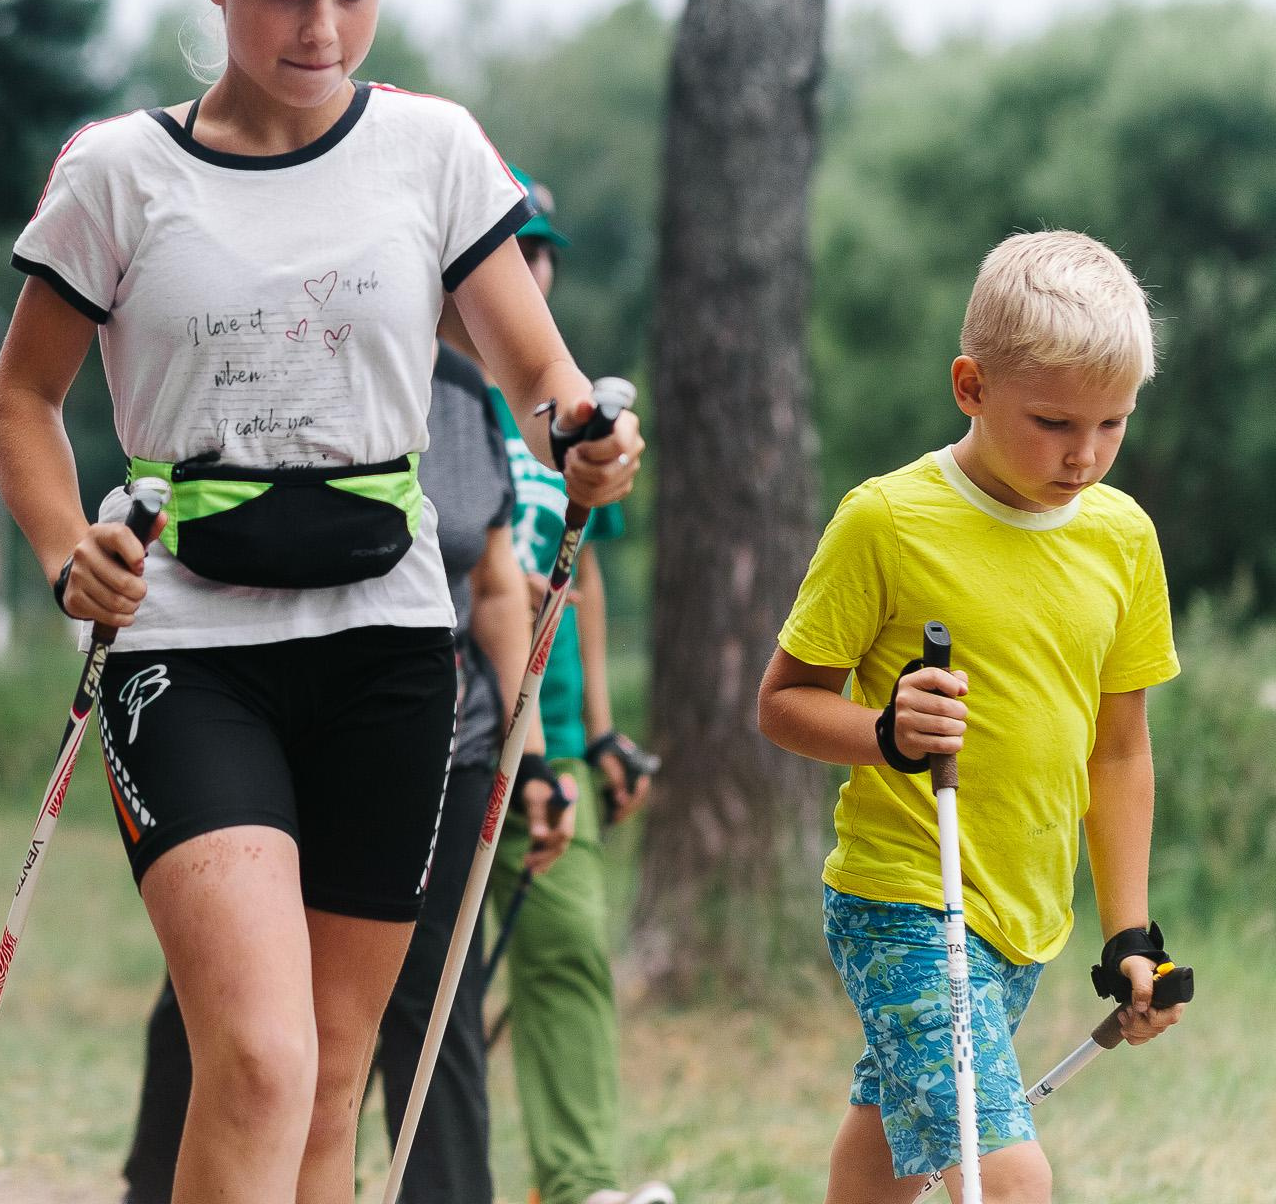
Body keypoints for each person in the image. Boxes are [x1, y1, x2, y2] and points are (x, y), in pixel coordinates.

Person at [0, 0, 643, 1204]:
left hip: (390, 643)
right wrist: (56, 553)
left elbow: (539, 373)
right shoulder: (120, 174)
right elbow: (22, 404)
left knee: (338, 1074)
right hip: (188, 644)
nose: (322, 28)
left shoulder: (434, 151)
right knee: (264, 1060)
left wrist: (584, 432)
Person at [758, 230, 1190, 1203]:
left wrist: (1130, 934)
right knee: (1007, 1171)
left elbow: (1118, 752)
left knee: (888, 1130)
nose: (1084, 455)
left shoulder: (1123, 540)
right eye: (1052, 422)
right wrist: (884, 732)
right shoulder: (889, 521)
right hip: (908, 895)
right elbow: (783, 703)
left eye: (1113, 424)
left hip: (1023, 911)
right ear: (971, 386)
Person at [117, 337, 572, 1203]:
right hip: (232, 701)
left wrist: (536, 755)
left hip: (438, 731)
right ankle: (157, 1180)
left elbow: (499, 580)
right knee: (248, 1025)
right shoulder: (274, 338)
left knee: (428, 1007)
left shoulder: (470, 395)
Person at [449, 170, 671, 1204]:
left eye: (541, 255)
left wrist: (608, 733)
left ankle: (581, 1185)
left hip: (557, 738)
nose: (532, 270)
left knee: (569, 946)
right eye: (513, 249)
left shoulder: (568, 416)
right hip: (440, 724)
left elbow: (584, 583)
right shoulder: (431, 394)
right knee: (422, 984)